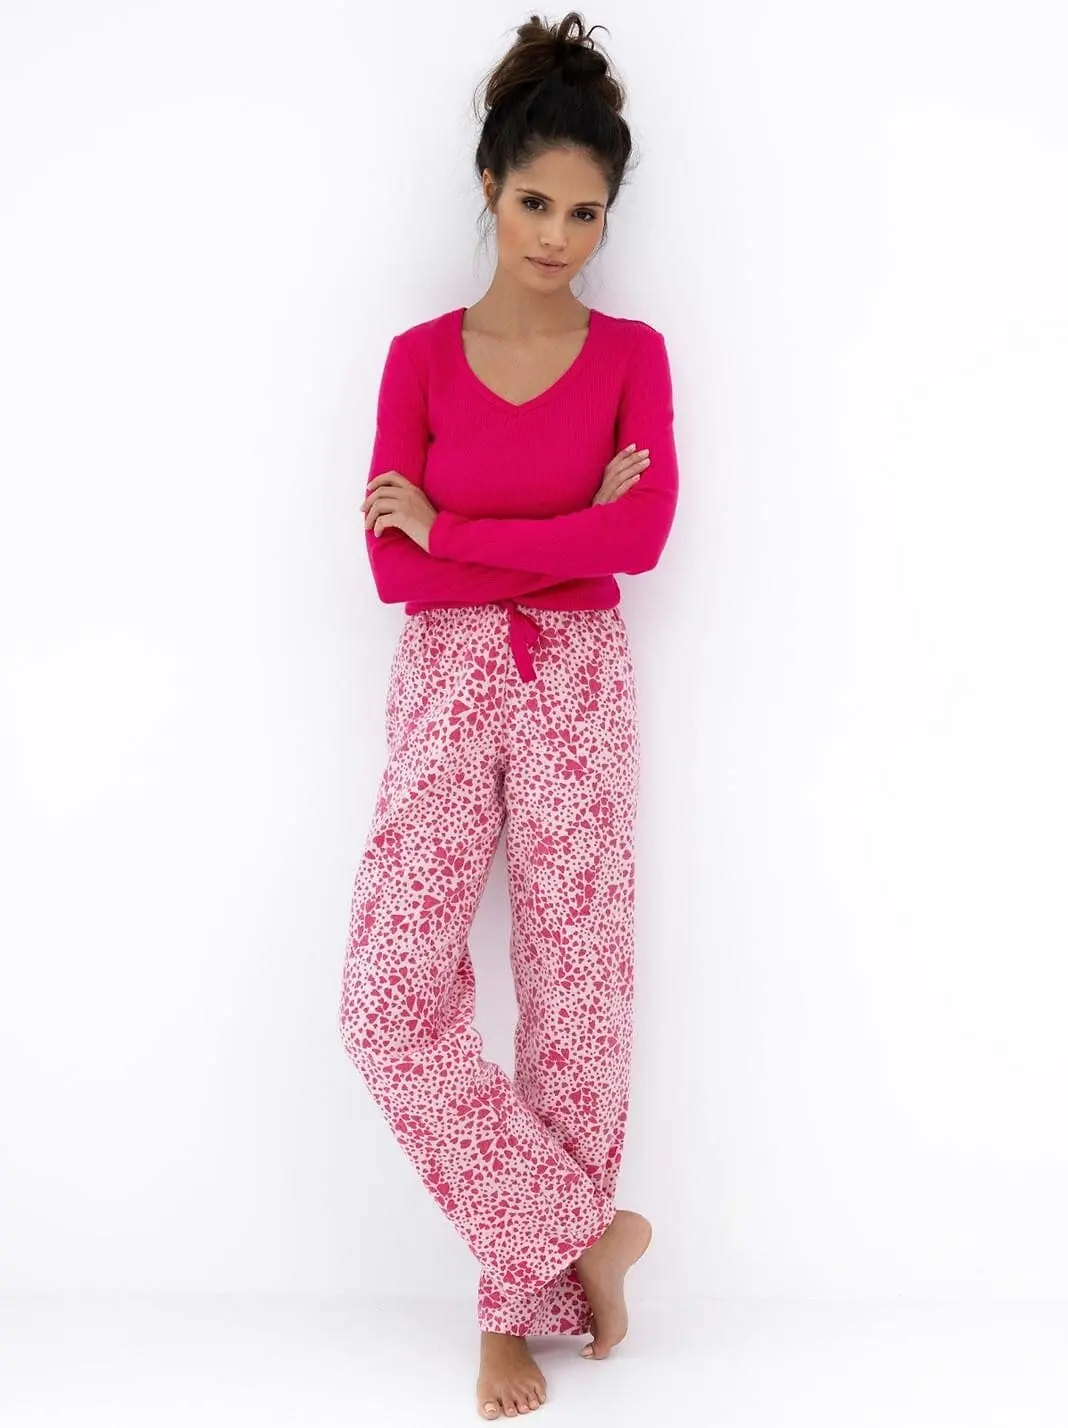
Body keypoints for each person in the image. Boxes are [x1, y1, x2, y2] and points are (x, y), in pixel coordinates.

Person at [338, 11, 678, 1420]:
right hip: (447, 678)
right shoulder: (419, 358)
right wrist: (559, 533)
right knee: (386, 1001)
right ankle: (582, 1234)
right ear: (490, 186)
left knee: (575, 997)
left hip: (579, 680)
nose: (557, 235)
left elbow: (637, 541)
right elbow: (391, 569)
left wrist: (462, 529)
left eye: (585, 213)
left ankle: (514, 1315)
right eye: (536, 202)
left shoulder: (633, 355)